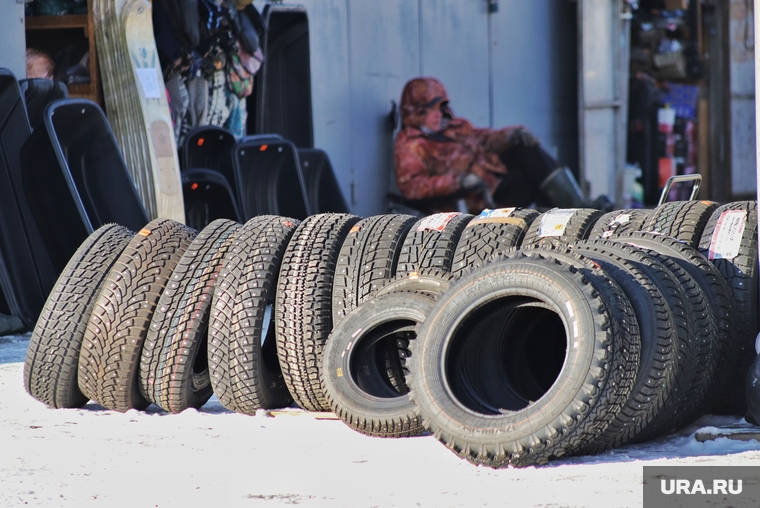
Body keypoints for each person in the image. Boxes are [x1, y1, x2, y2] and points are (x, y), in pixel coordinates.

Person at [394, 77, 606, 214]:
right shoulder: (409, 144)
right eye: (432, 109)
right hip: (473, 200)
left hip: (495, 184)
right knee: (527, 177)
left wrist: (511, 134)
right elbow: (412, 188)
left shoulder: (453, 128)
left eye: (441, 108)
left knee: (524, 150)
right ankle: (573, 212)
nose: (439, 115)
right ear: (417, 110)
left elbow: (485, 138)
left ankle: (577, 207)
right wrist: (459, 182)